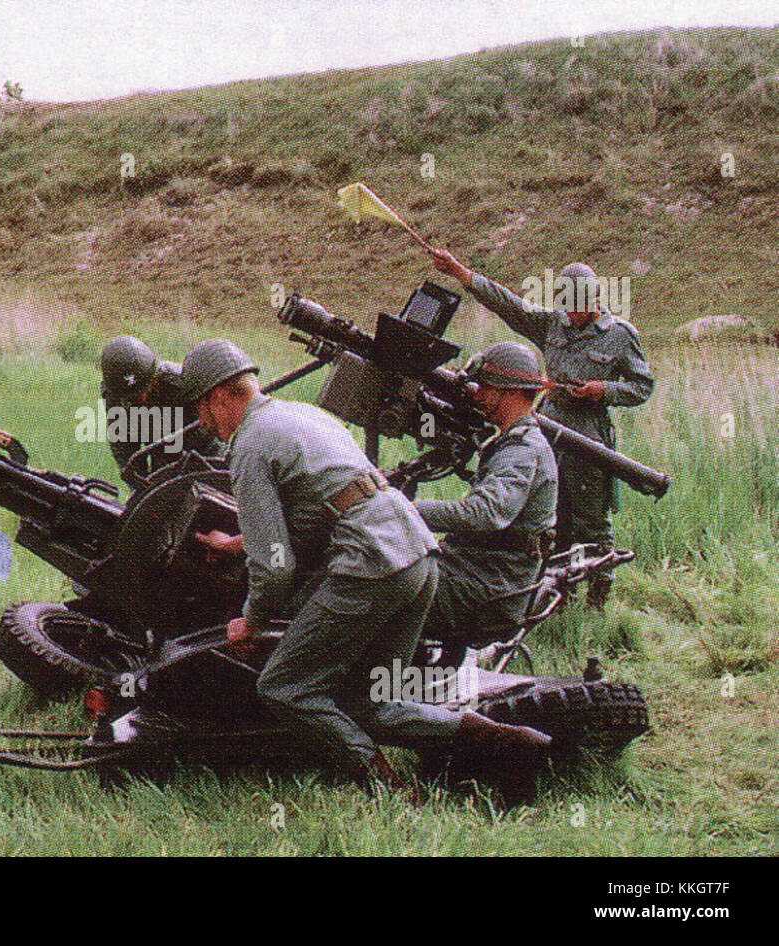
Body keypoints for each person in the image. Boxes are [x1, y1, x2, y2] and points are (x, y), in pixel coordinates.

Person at [181, 338, 552, 804]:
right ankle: (509, 741)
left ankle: (391, 790)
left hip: (370, 568)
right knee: (371, 700)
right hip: (417, 555)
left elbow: (275, 569)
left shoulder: (250, 445)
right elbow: (324, 510)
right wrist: (240, 542)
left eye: (199, 407)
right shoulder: (301, 416)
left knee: (283, 688)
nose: (201, 422)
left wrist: (250, 621)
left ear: (217, 396)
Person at [429, 252, 654, 608]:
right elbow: (511, 306)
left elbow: (642, 386)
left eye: (577, 308)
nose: (570, 315)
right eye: (565, 306)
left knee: (591, 521)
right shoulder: (553, 324)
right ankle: (557, 595)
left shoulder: (621, 337)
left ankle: (597, 601)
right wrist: (462, 274)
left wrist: (603, 390)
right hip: (547, 431)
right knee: (553, 519)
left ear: (595, 302)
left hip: (588, 436)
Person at [413, 342, 558, 662]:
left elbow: (485, 513)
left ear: (508, 392)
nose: (476, 395)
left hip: (486, 591)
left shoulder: (522, 449)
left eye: (483, 388)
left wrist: (405, 509)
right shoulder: (512, 441)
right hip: (476, 575)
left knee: (367, 585)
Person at [99, 335, 221, 482]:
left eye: (147, 389)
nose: (143, 399)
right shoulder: (114, 397)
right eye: (134, 397)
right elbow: (124, 451)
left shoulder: (180, 381)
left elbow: (216, 437)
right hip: (162, 456)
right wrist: (140, 485)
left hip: (203, 447)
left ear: (155, 376)